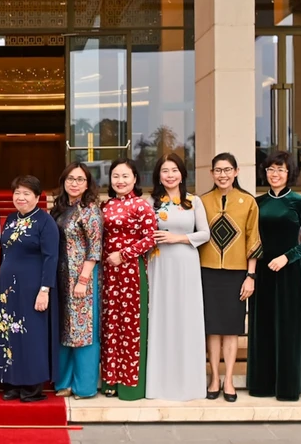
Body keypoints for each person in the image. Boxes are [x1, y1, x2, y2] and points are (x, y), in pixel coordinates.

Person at [249, 152, 301, 401]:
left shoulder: (300, 202)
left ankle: (288, 387)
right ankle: (262, 384)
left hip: (289, 272)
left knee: (287, 328)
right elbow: (252, 239)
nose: (274, 174)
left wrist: (288, 257)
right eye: (270, 169)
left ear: (289, 173)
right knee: (263, 326)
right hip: (263, 273)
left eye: (280, 169)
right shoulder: (257, 203)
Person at [145, 154, 210, 402]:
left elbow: (205, 233)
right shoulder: (151, 201)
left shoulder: (194, 201)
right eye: (165, 171)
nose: (170, 175)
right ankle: (160, 384)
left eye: (174, 170)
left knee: (187, 318)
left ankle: (189, 385)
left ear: (182, 174)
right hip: (159, 264)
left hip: (186, 263)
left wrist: (179, 238)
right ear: (158, 176)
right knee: (161, 317)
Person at [198, 153, 260, 403]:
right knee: (212, 329)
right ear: (211, 173)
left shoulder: (248, 202)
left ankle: (230, 379)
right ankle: (214, 377)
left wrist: (250, 276)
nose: (222, 174)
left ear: (236, 172)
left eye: (227, 170)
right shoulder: (201, 202)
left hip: (237, 274)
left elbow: (252, 240)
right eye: (218, 170)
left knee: (232, 330)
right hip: (208, 272)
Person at [0, 175, 59, 403]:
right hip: (8, 289)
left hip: (33, 288)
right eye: (17, 193)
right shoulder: (11, 218)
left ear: (37, 197)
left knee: (31, 335)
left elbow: (51, 258)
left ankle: (32, 386)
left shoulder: (45, 222)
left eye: (26, 194)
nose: (20, 198)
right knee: (9, 334)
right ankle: (12, 382)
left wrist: (45, 289)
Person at [99, 159, 156, 401]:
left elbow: (151, 238)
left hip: (132, 271)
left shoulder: (141, 206)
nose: (120, 181)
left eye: (125, 176)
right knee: (110, 323)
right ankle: (110, 380)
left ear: (134, 179)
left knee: (130, 326)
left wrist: (123, 255)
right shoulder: (106, 205)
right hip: (108, 273)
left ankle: (130, 385)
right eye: (115, 176)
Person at [51, 162, 103, 400]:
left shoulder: (90, 209)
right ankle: (64, 381)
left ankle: (84, 386)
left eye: (80, 179)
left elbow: (95, 249)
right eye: (71, 178)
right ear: (64, 181)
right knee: (65, 329)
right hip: (60, 277)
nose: (75, 183)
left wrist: (83, 279)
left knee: (83, 332)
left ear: (87, 184)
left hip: (82, 278)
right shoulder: (61, 208)